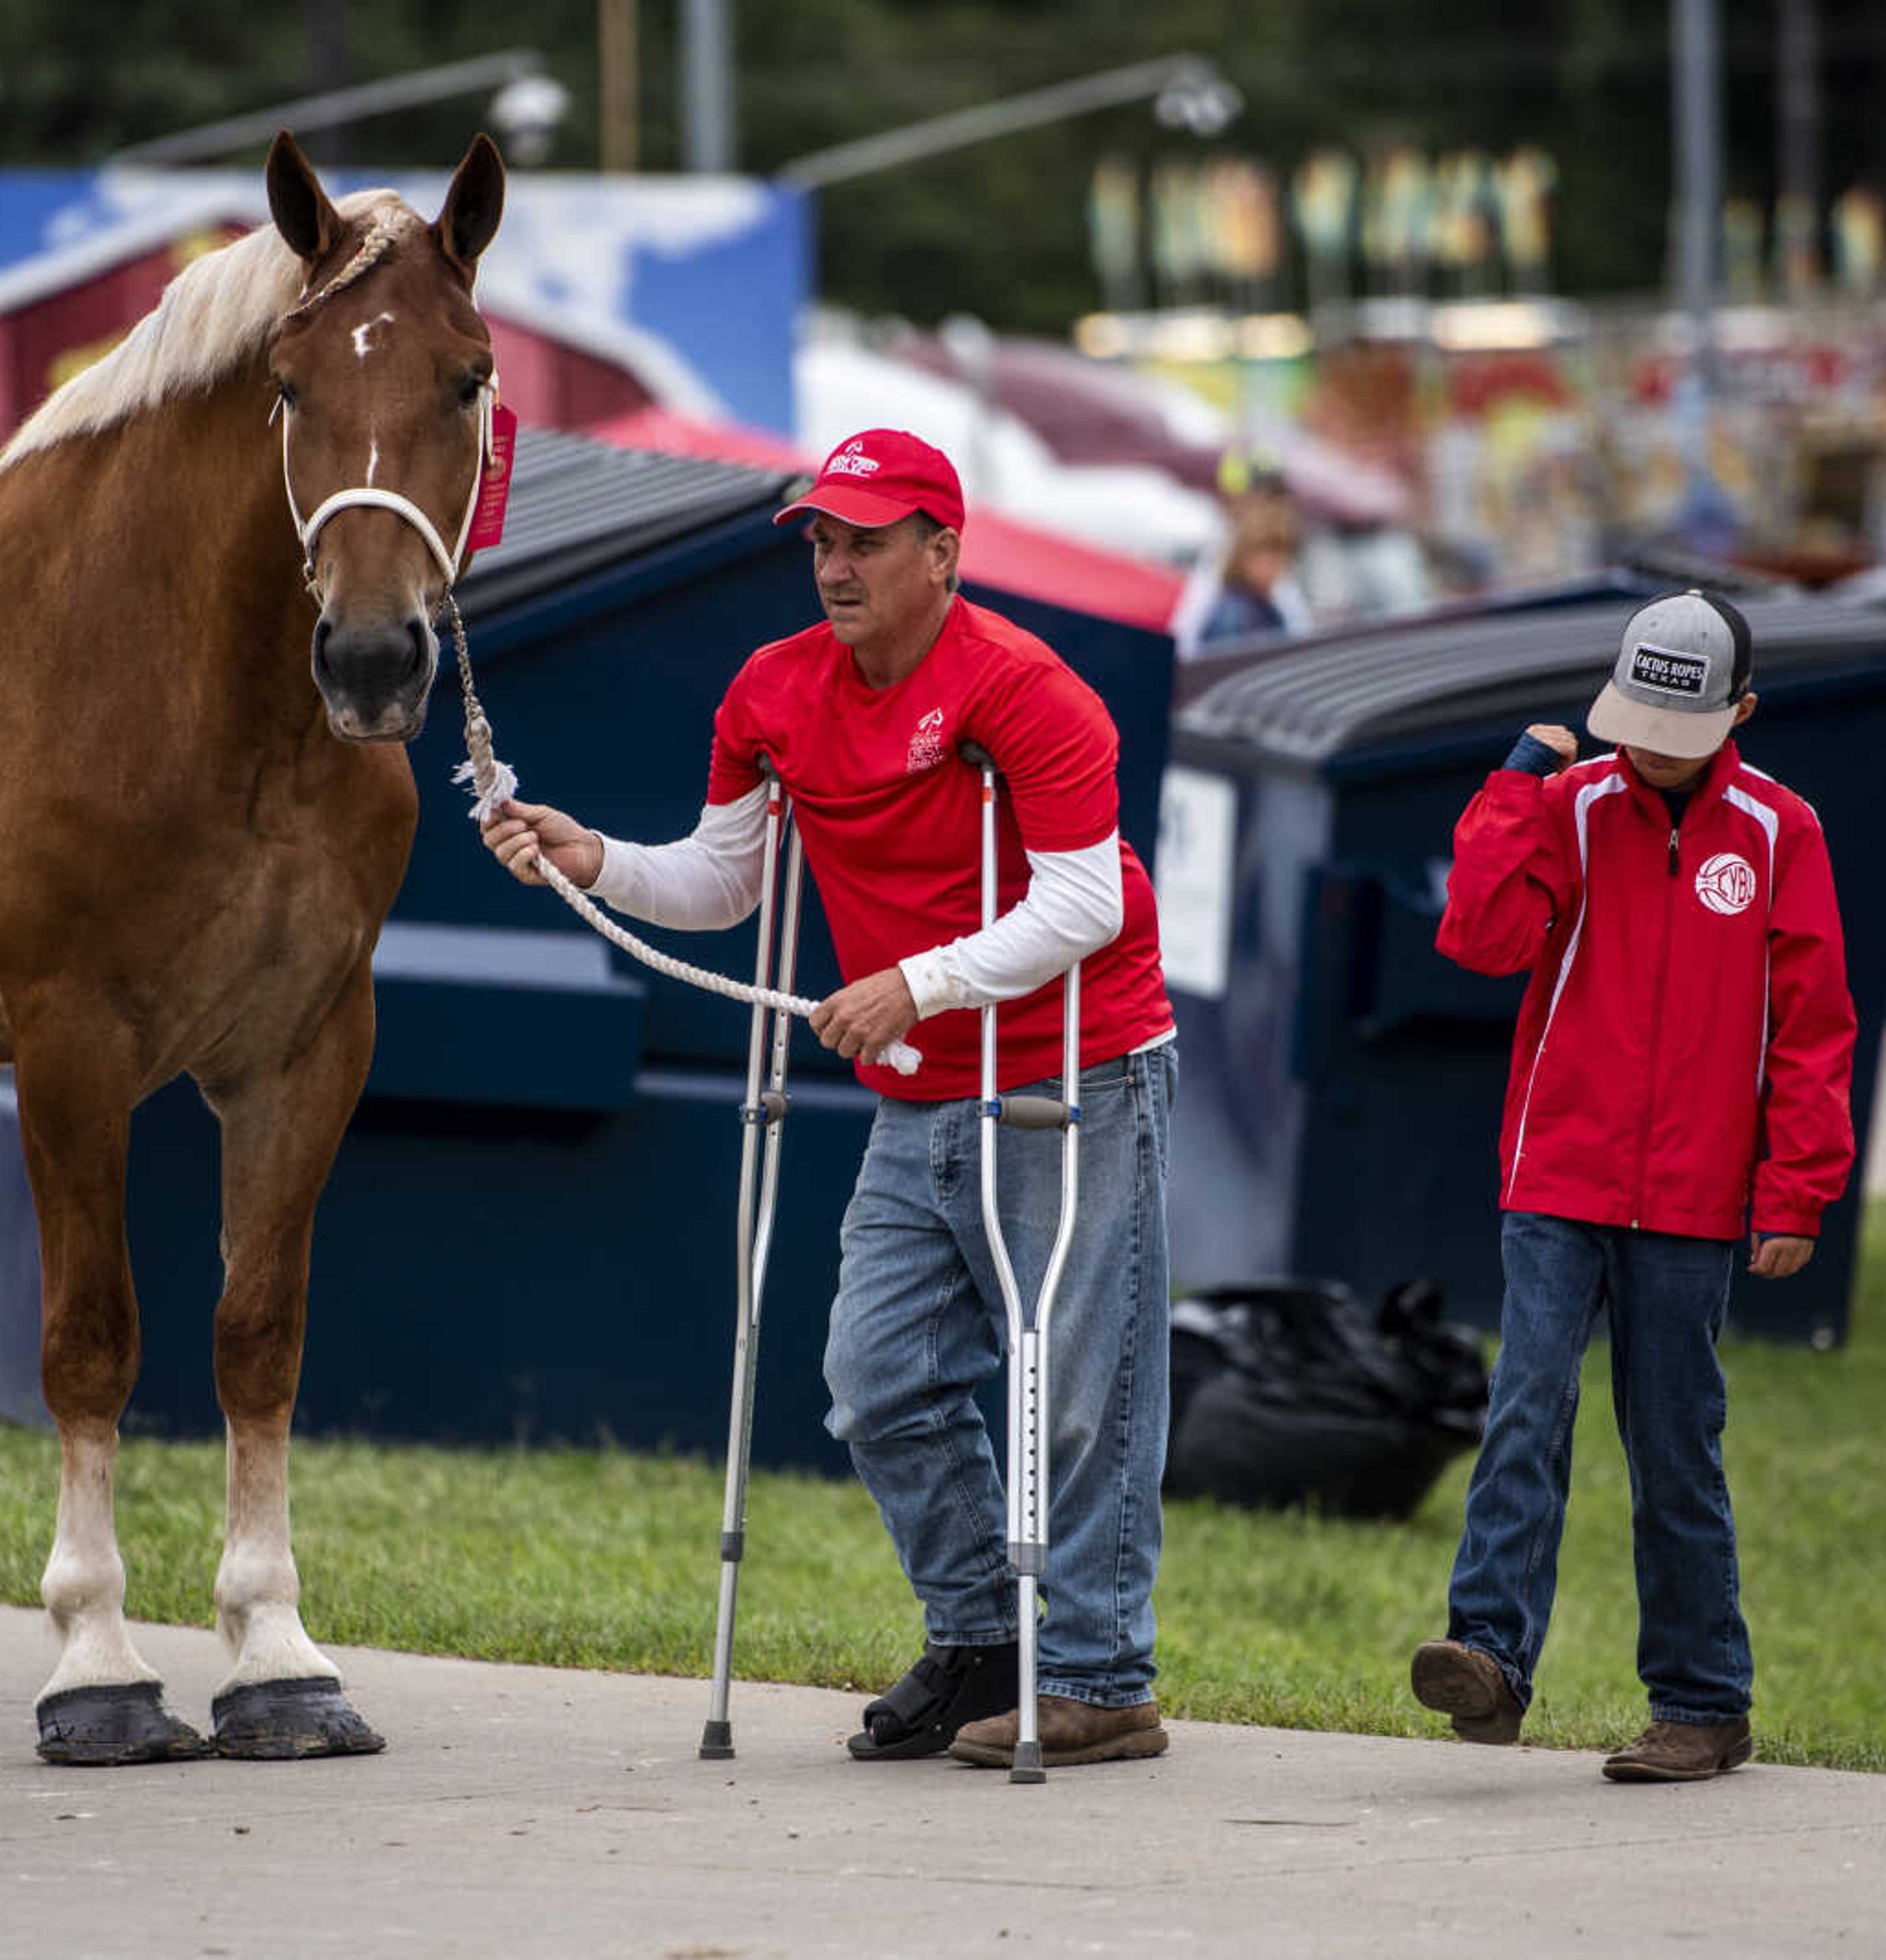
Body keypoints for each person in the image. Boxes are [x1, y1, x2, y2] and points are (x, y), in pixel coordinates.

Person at [480, 429, 1180, 1769]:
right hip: (919, 1085)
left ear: (941, 552)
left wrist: (916, 984)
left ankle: (1102, 1675)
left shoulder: (1030, 690)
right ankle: (985, 1635)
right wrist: (601, 859)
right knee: (877, 1378)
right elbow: (724, 881)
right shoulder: (772, 691)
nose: (835, 565)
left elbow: (1084, 905)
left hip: (1070, 1064)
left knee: (1086, 1384)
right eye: (820, 540)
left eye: (865, 540)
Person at [1408, 590, 1855, 1784]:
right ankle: (1489, 1656)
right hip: (1559, 1173)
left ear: (1740, 713)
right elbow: (1481, 938)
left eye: (1680, 722)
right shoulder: (1567, 805)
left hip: (1699, 1200)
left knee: (1675, 1444)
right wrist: (1510, 788)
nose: (1648, 742)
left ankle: (1703, 1704)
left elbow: (1812, 1026)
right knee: (1526, 1404)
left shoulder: (1780, 832)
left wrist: (1796, 1190)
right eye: (1636, 715)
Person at [1169, 452, 1310, 659]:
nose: (1269, 506)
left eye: (1274, 496)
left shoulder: (1278, 586)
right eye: (1260, 495)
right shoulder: (1226, 602)